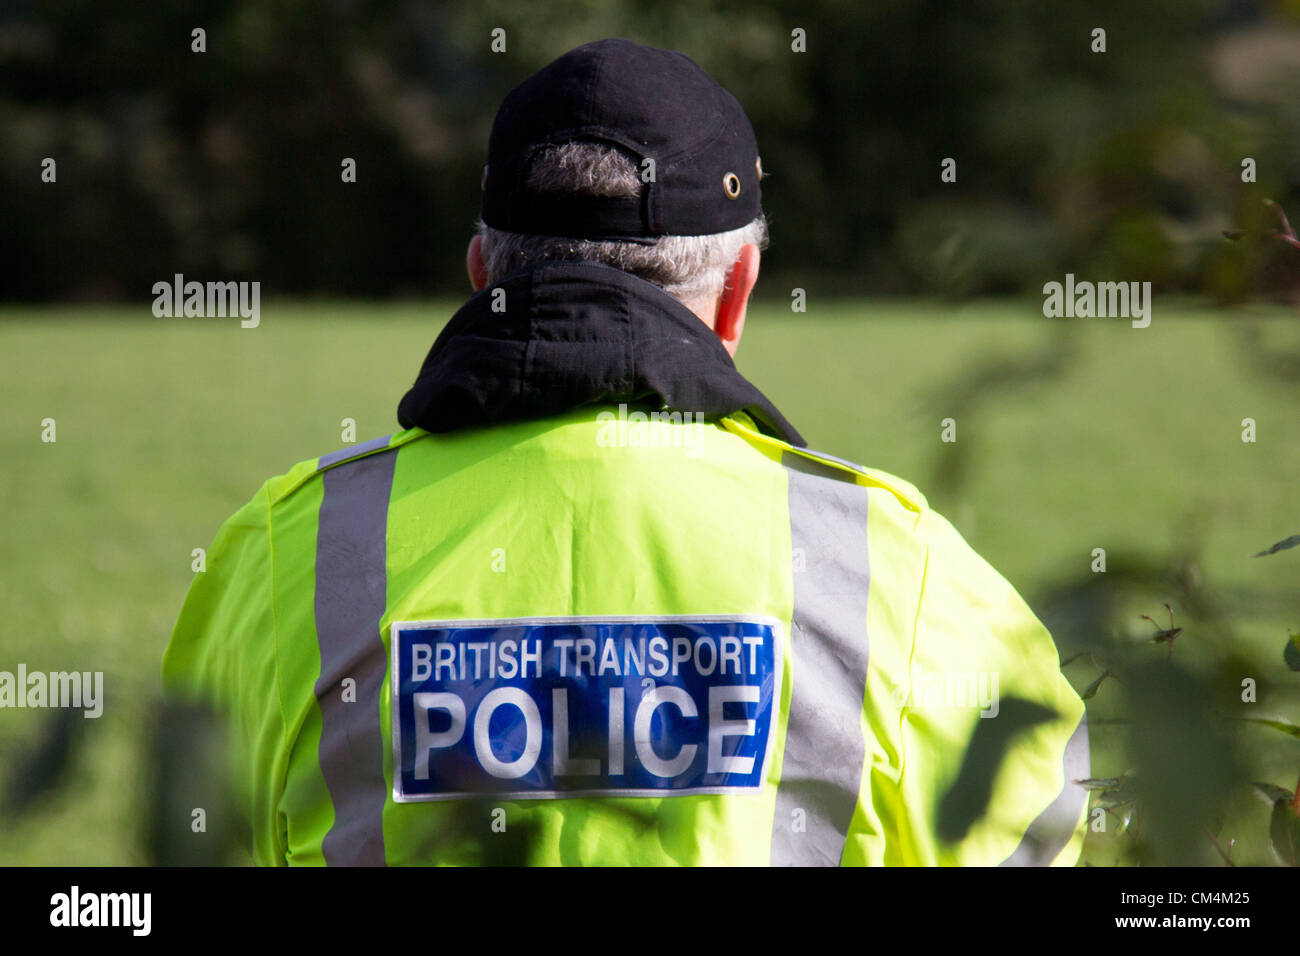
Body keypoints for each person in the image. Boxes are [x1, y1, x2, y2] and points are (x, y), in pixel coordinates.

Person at [163, 37, 1089, 866]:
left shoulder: (289, 552)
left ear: (483, 273)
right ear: (738, 292)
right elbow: (1036, 831)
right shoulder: (898, 573)